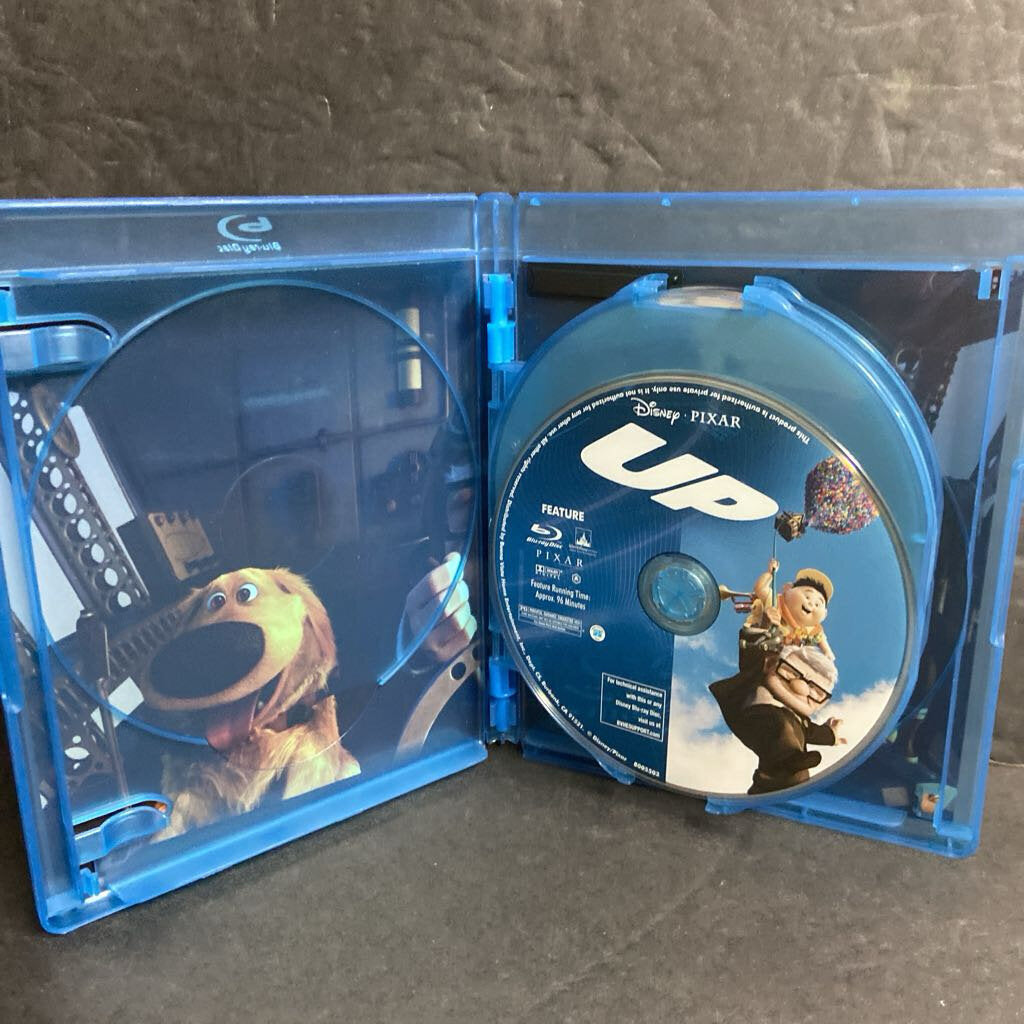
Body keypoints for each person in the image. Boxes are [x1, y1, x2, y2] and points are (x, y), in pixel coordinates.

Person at [712, 644, 846, 795]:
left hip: (784, 776)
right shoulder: (761, 697)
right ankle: (788, 758)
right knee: (781, 727)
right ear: (770, 664)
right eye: (792, 673)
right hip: (760, 720)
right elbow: (752, 651)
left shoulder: (799, 720)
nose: (800, 688)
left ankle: (787, 766)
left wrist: (831, 734)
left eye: (816, 692)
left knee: (792, 778)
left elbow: (811, 732)